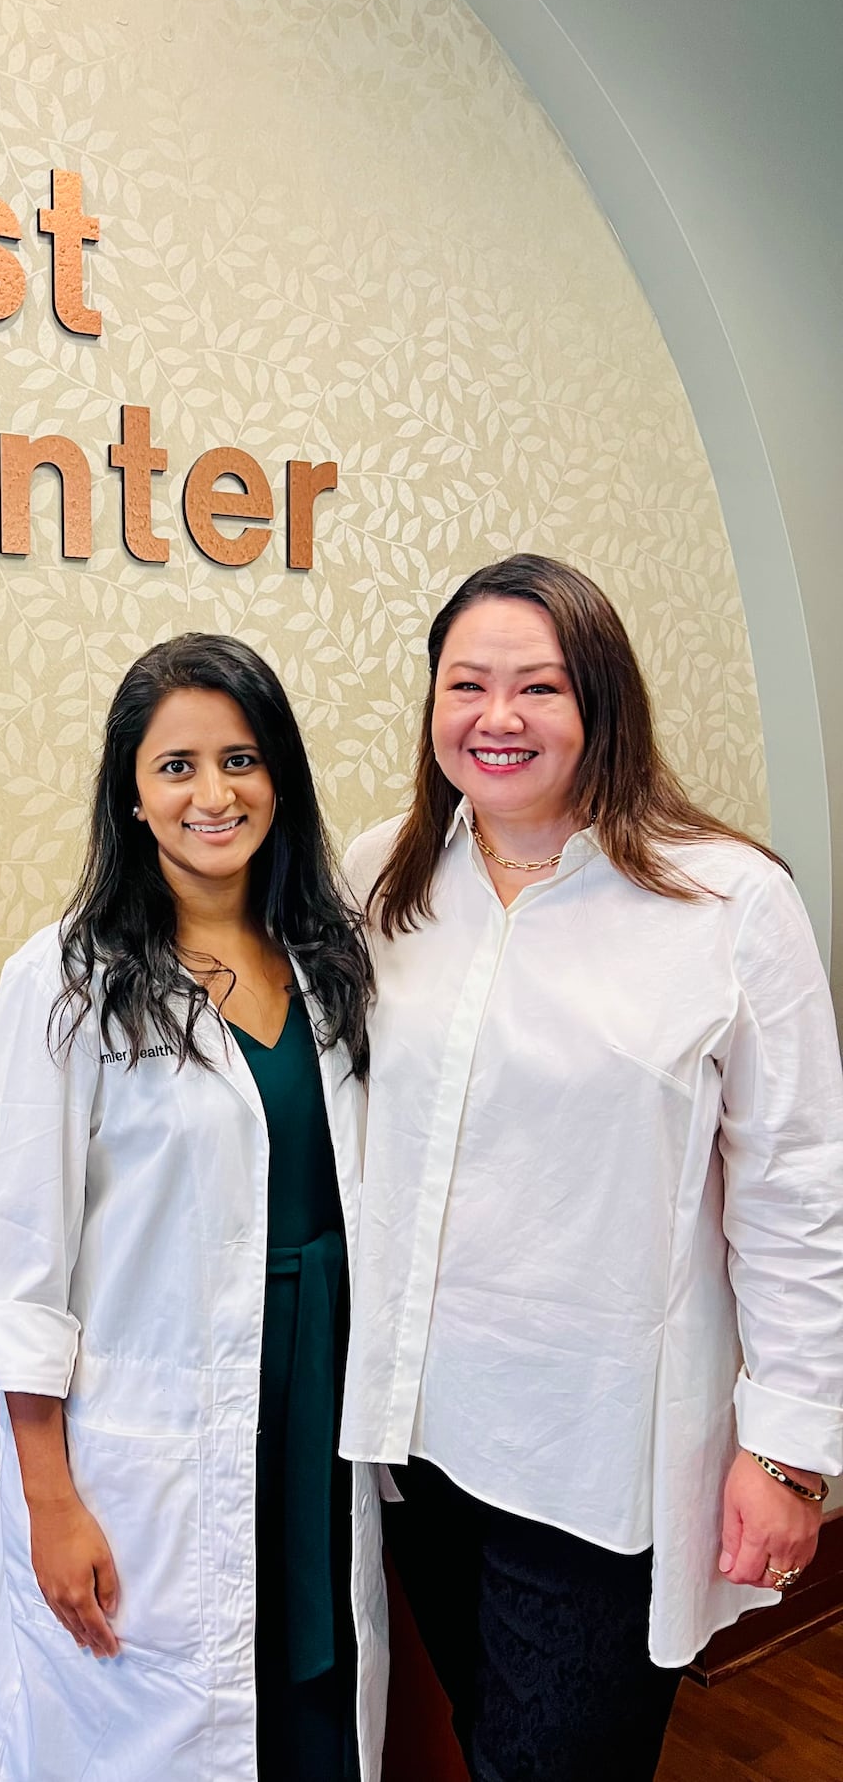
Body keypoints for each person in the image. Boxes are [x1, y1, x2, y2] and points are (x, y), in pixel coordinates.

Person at [340, 554, 843, 1782]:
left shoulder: (726, 902)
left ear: (602, 706)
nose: (496, 718)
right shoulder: (379, 877)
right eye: (466, 685)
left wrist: (788, 1453)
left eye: (538, 687)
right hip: (418, 1441)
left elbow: (799, 1191)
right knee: (484, 1739)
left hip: (596, 1451)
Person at [0, 634, 388, 1781]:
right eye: (177, 766)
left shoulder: (329, 960)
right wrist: (50, 1500)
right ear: (131, 797)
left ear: (279, 779)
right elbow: (20, 1270)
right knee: (150, 1723)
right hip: (151, 1440)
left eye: (241, 760)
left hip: (314, 1411)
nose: (214, 794)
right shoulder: (61, 981)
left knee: (311, 1698)